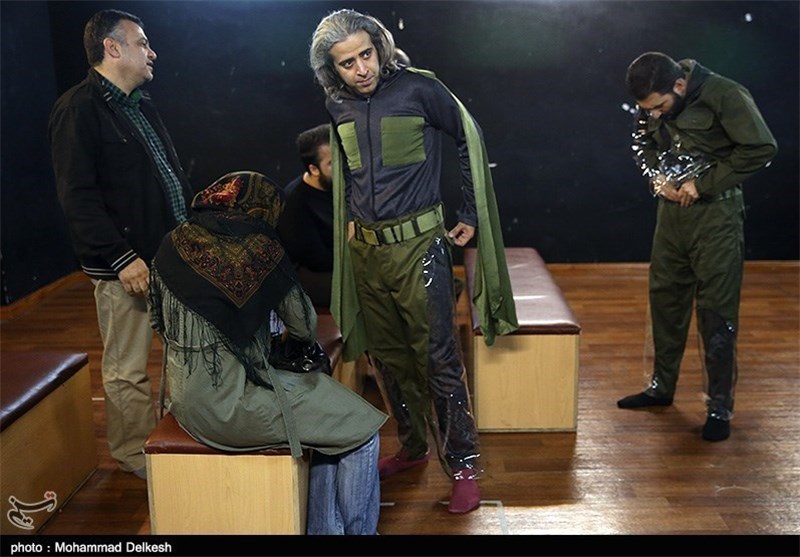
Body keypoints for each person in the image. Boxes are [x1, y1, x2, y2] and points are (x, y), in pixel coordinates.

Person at [309, 9, 518, 514]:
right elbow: (350, 176)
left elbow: (469, 137)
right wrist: (351, 222)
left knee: (438, 359)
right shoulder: (338, 104)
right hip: (367, 253)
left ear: (379, 47)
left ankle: (463, 466)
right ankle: (413, 445)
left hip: (420, 248)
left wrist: (470, 212)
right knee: (386, 357)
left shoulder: (419, 88)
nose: (361, 68)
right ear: (331, 69)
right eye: (347, 63)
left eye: (366, 54)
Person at [147, 171, 388, 534]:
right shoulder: (259, 249)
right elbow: (304, 324)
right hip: (233, 409)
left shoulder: (173, 243)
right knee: (363, 429)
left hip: (184, 402)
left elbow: (158, 322)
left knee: (329, 427)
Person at [49, 9, 194, 479]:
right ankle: (134, 455)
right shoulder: (77, 109)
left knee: (184, 358)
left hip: (169, 258)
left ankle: (178, 442)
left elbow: (167, 179)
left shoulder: (140, 105)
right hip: (126, 268)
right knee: (128, 369)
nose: (152, 53)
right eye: (142, 43)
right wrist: (122, 258)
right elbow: (78, 198)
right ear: (112, 48)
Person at [617, 52, 778, 441]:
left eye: (658, 107)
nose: (653, 114)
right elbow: (643, 142)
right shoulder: (653, 102)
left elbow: (760, 147)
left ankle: (719, 407)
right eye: (647, 109)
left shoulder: (725, 94)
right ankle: (661, 387)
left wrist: (703, 184)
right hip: (671, 213)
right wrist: (658, 178)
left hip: (716, 214)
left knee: (716, 311)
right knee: (665, 300)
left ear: (679, 85)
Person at [277, 123, 334, 308]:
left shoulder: (339, 186)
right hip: (312, 277)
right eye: (332, 163)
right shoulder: (295, 204)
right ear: (314, 169)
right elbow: (317, 261)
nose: (342, 167)